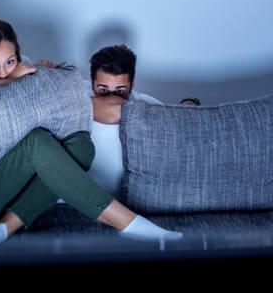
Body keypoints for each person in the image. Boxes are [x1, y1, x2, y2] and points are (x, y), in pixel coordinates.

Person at [0, 17, 183, 247]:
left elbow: (52, 89)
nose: (4, 70)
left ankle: (4, 228)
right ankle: (128, 223)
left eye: (10, 61)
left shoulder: (22, 66)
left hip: (2, 188)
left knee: (81, 146)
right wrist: (8, 80)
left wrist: (46, 70)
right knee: (36, 141)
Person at [40, 44, 201, 198]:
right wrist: (48, 69)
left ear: (132, 84)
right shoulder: (78, 90)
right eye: (103, 90)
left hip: (123, 197)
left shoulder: (145, 104)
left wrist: (191, 103)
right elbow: (54, 80)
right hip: (73, 190)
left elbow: (179, 114)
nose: (110, 97)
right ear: (91, 81)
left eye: (120, 91)